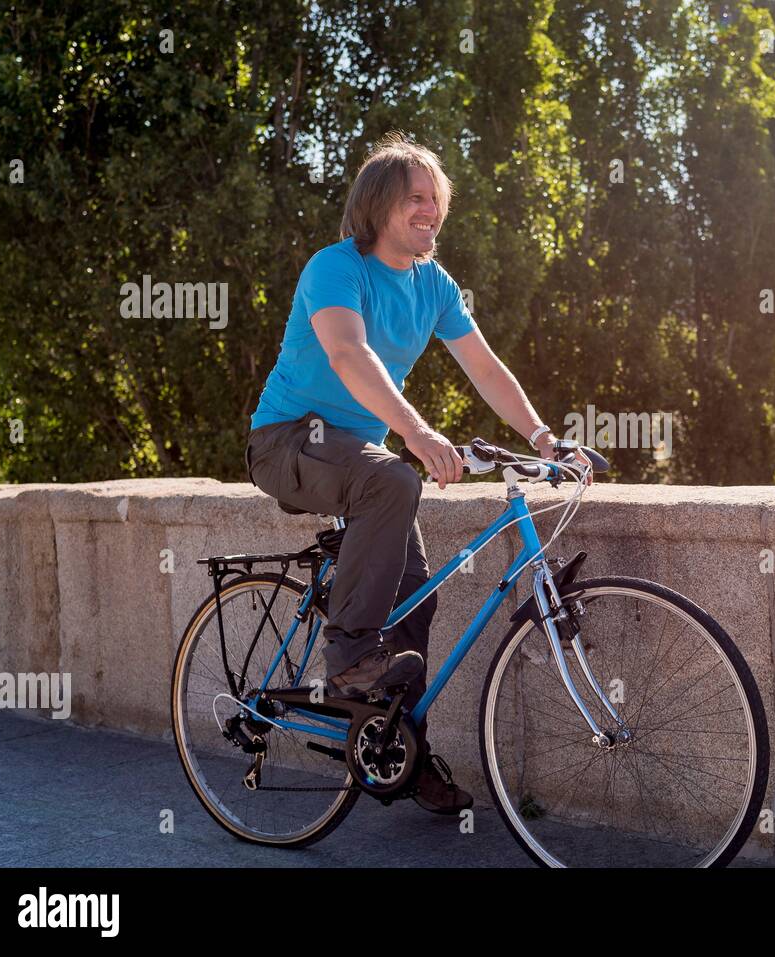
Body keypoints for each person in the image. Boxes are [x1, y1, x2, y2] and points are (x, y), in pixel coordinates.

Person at [243, 132, 588, 815]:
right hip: (287, 442)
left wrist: (547, 438)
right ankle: (347, 653)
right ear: (379, 208)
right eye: (416, 199)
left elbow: (485, 367)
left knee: (418, 598)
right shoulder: (335, 268)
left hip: (356, 461)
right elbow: (347, 354)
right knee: (396, 478)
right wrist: (418, 432)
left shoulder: (433, 284)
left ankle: (396, 750)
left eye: (438, 200)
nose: (431, 210)